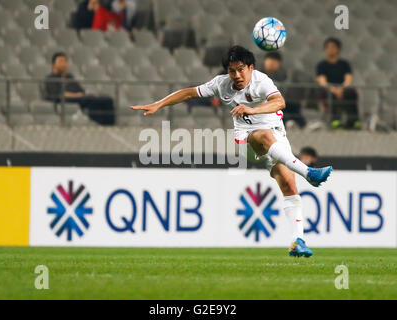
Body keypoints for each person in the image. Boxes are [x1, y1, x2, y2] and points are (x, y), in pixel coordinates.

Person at [132, 46, 333, 257]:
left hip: (277, 137)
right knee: (261, 135)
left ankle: (297, 241)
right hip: (246, 141)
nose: (236, 75)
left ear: (251, 67)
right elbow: (189, 92)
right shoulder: (222, 84)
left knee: (289, 185)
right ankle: (309, 173)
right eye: (231, 70)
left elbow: (279, 102)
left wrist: (252, 109)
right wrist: (158, 104)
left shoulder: (262, 81)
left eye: (241, 69)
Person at [44, 52, 115, 126]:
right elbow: (58, 94)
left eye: (65, 61)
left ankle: (110, 125)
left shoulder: (69, 77)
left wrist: (79, 94)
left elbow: (80, 91)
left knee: (107, 100)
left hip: (79, 99)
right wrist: (76, 95)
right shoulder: (51, 78)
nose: (63, 64)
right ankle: (99, 122)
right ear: (53, 64)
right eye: (61, 61)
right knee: (90, 99)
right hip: (64, 101)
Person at [316, 37, 360, 129]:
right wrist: (334, 90)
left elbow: (348, 79)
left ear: (338, 49)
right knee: (330, 96)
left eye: (333, 47)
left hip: (343, 89)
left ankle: (353, 120)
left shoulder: (344, 64)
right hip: (329, 90)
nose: (330, 49)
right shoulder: (321, 65)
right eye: (328, 47)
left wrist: (341, 89)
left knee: (351, 93)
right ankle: (335, 120)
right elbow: (322, 81)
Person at [260, 52, 307, 129]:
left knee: (293, 106)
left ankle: (304, 125)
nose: (272, 63)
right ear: (265, 61)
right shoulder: (258, 75)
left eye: (275, 62)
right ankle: (287, 122)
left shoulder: (281, 76)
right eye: (270, 60)